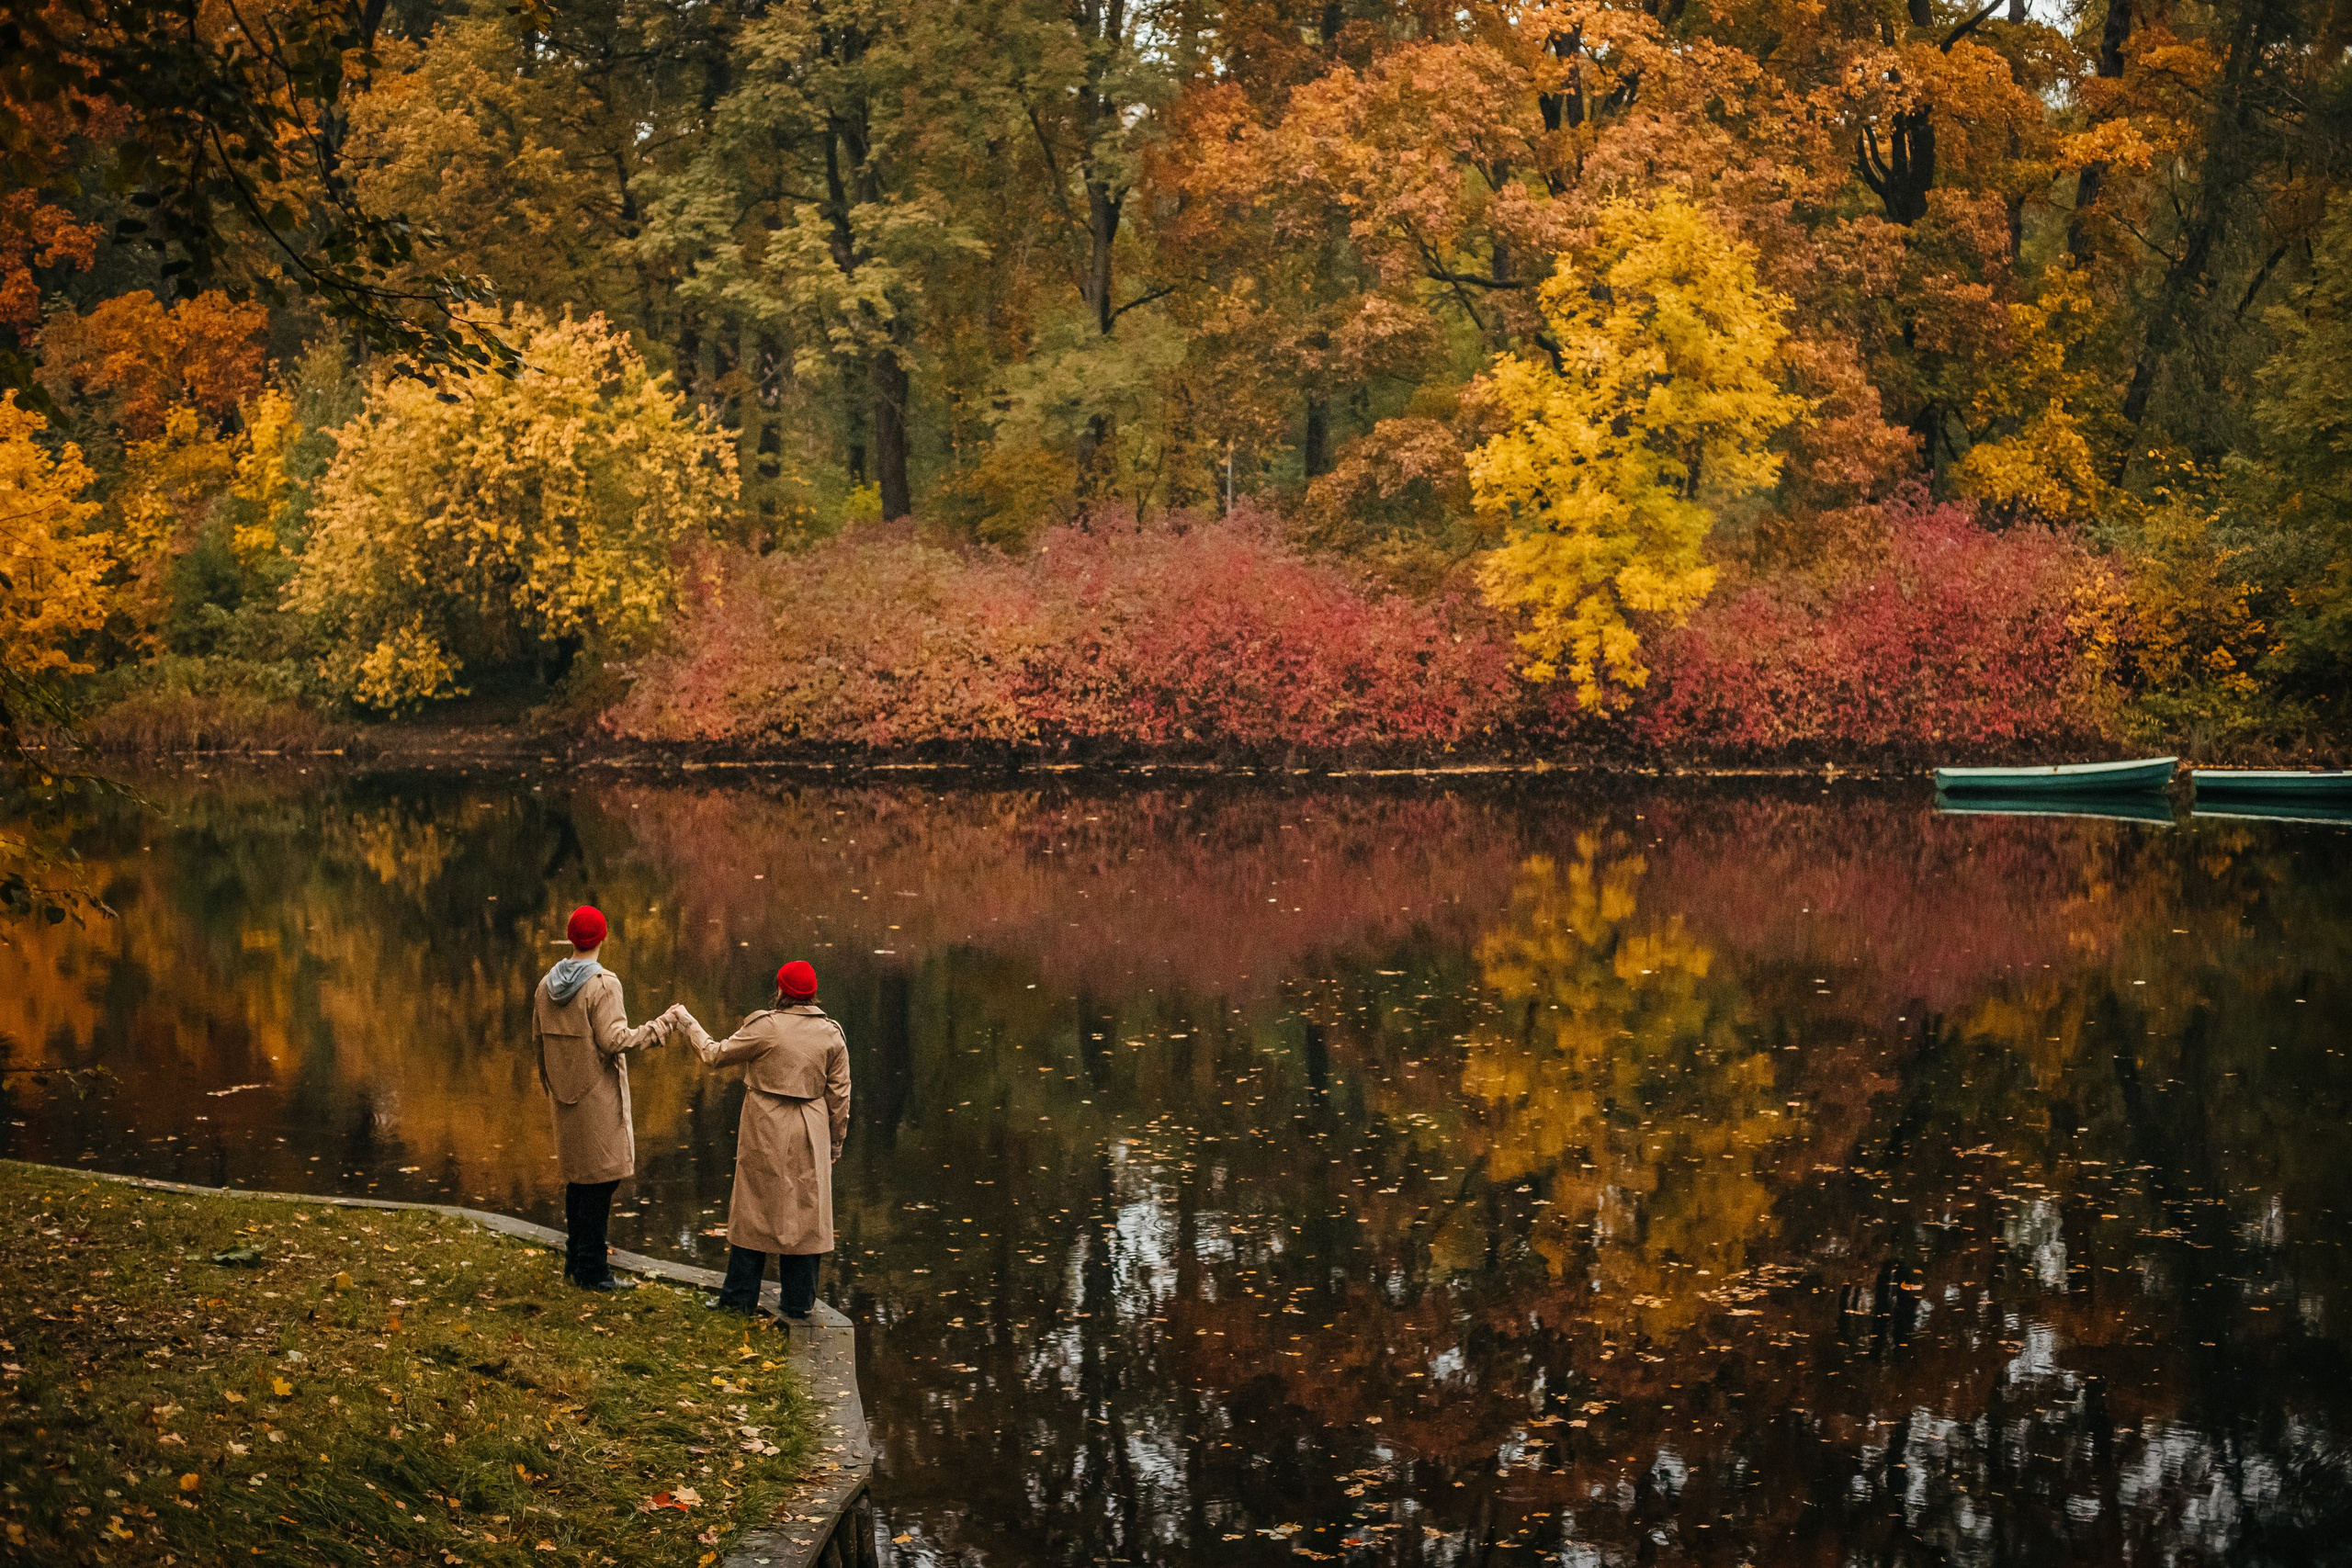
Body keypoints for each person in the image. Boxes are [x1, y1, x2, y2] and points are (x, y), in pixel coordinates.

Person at [680, 959, 851, 1319]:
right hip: (812, 1125)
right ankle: (799, 1301)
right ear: (814, 993)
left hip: (765, 1123)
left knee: (754, 1205)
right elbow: (840, 1096)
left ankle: (739, 1297)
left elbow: (715, 1054)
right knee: (806, 1208)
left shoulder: (767, 1028)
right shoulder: (831, 1034)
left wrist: (688, 1023)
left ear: (781, 990)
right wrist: (834, 1144)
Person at [531, 904, 683, 1291]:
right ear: (602, 937)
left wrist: (551, 1085)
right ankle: (593, 1271)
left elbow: (537, 1043)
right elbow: (615, 1040)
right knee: (600, 1182)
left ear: (571, 938)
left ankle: (575, 1258)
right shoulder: (602, 984)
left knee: (581, 1181)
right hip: (596, 1096)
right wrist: (660, 1025)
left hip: (565, 1096)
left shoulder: (546, 985)